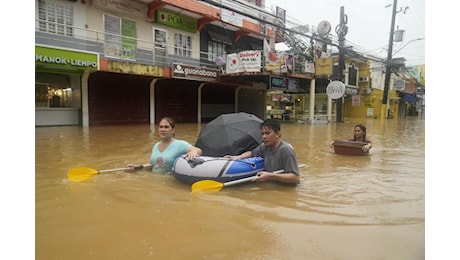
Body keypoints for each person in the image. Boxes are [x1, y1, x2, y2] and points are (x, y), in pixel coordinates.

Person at [225, 118, 300, 184]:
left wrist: (271, 176)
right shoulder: (264, 146)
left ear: (277, 134)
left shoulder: (286, 150)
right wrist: (238, 157)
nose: (264, 137)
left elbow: (295, 177)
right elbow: (252, 153)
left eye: (267, 133)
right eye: (262, 134)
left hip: (285, 189)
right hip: (272, 186)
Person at [127, 117, 202, 174]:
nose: (163, 129)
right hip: (154, 183)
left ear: (173, 130)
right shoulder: (156, 145)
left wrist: (194, 151)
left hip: (169, 183)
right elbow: (154, 165)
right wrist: (137, 168)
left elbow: (199, 150)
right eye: (161, 127)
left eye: (166, 127)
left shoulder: (180, 144)